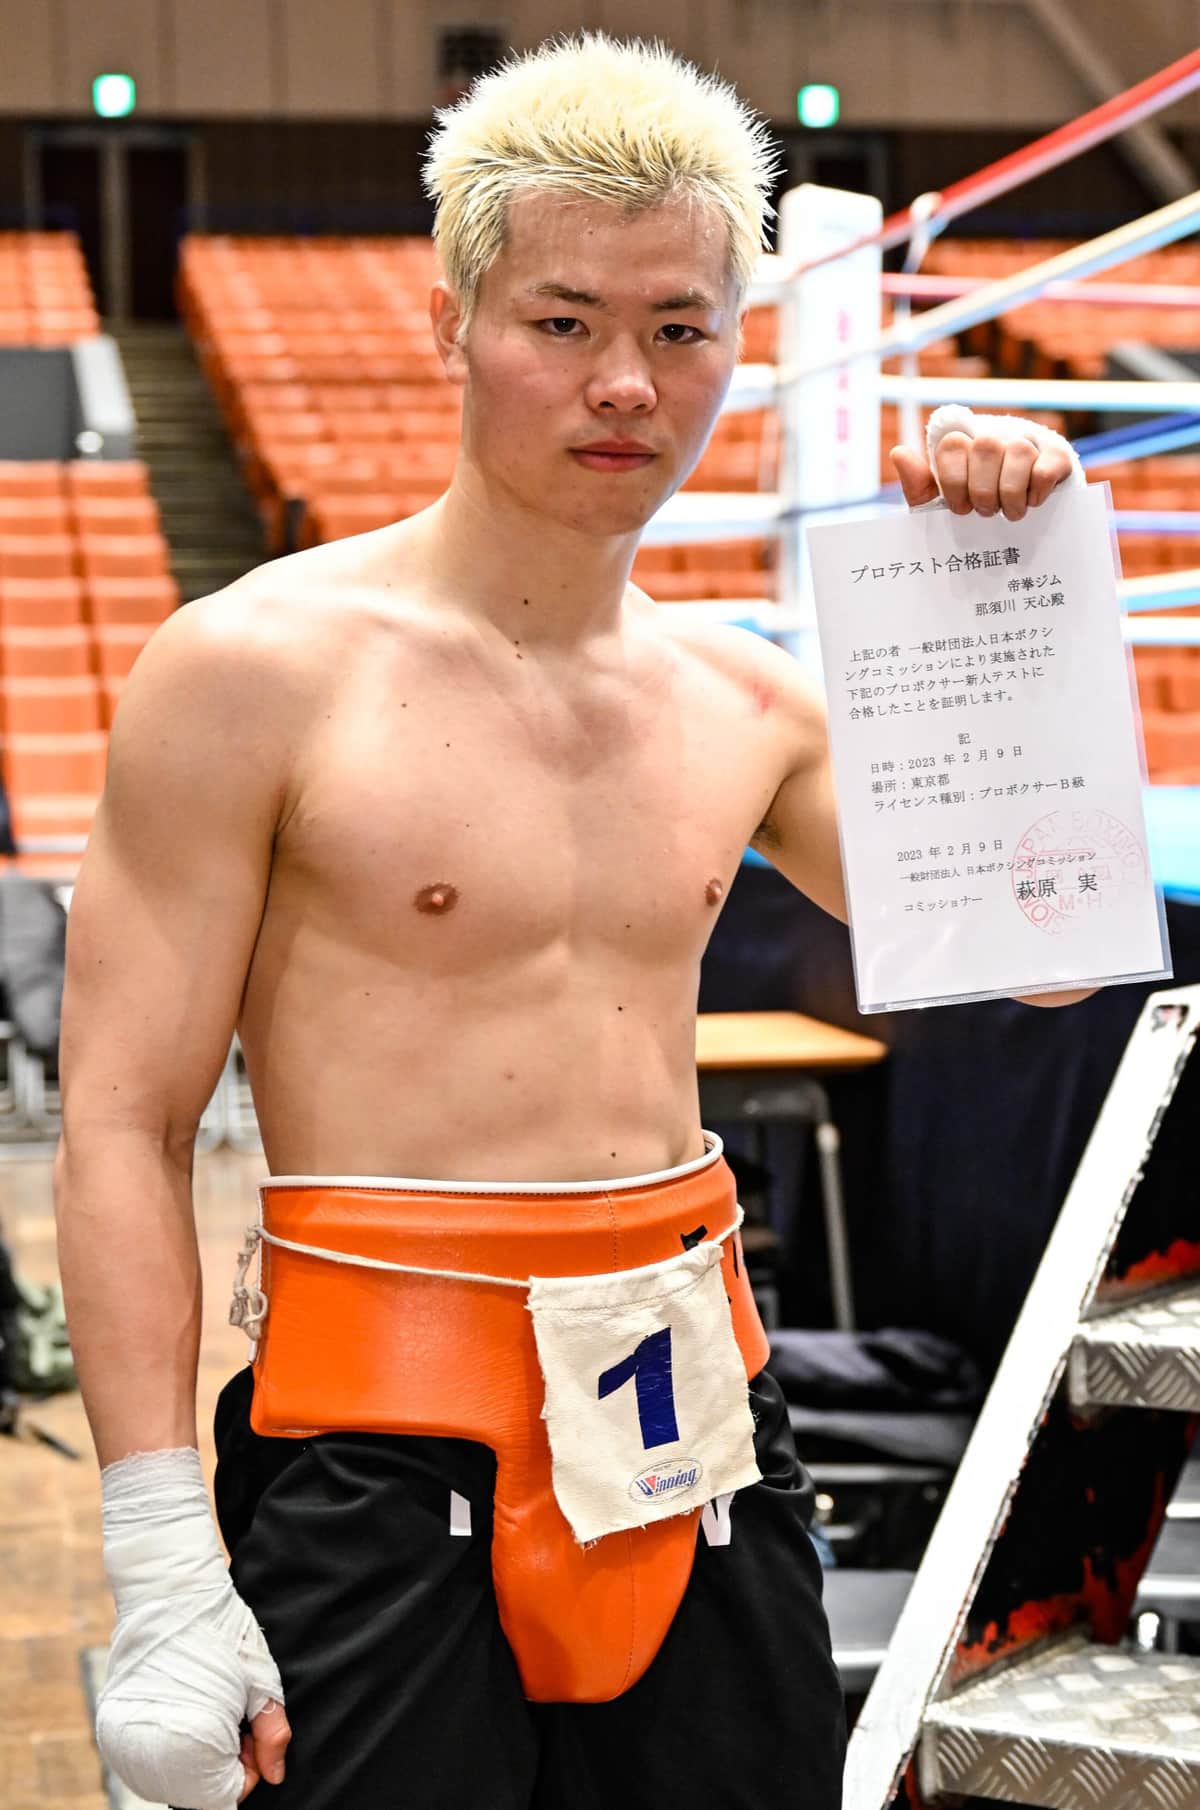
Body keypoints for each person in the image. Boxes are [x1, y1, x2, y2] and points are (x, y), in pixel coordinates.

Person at [54, 31, 1083, 1810]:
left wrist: (1013, 586)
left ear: (738, 344)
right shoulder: (248, 671)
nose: (628, 381)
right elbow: (123, 1119)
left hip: (695, 1436)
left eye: (682, 327)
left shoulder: (746, 701)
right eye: (564, 323)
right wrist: (158, 1554)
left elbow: (1034, 937)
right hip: (378, 1446)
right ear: (451, 323)